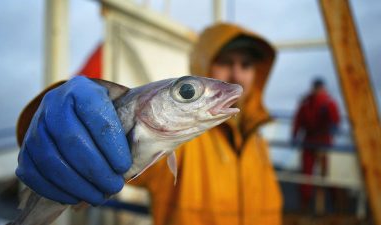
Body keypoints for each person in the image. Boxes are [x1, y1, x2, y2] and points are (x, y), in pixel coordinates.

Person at [16, 23, 282, 225]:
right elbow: (86, 141)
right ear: (204, 64)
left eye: (246, 65)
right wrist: (48, 123)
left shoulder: (258, 140)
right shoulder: (188, 139)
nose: (236, 75)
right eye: (225, 62)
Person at [291, 78, 340, 210]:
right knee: (306, 175)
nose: (318, 91)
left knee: (328, 174)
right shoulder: (306, 104)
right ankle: (305, 204)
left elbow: (335, 120)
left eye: (319, 88)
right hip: (310, 142)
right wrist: (294, 135)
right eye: (316, 88)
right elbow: (298, 120)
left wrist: (333, 125)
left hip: (324, 142)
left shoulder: (328, 103)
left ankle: (335, 203)